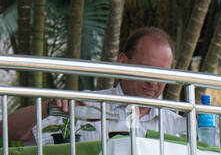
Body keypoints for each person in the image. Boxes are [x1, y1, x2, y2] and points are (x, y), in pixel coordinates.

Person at [3, 27, 186, 144]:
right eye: (146, 69)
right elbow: (5, 132)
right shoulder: (84, 105)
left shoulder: (175, 123)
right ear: (122, 63)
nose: (153, 82)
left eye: (162, 74)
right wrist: (48, 108)